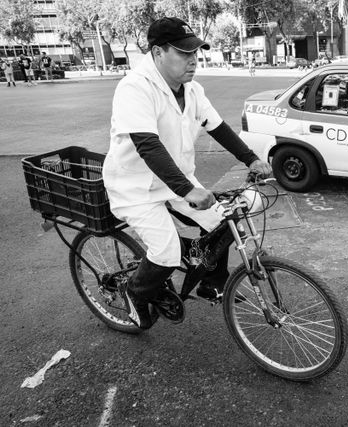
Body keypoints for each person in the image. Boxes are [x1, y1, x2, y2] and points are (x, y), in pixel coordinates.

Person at [102, 17, 272, 329]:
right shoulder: (135, 88)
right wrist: (188, 191)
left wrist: (251, 159)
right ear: (157, 53)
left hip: (175, 179)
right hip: (135, 187)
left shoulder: (192, 90)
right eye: (183, 54)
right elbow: (148, 146)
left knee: (222, 222)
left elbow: (218, 127)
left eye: (195, 53)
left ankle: (212, 283)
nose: (193, 60)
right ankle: (134, 294)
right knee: (166, 254)